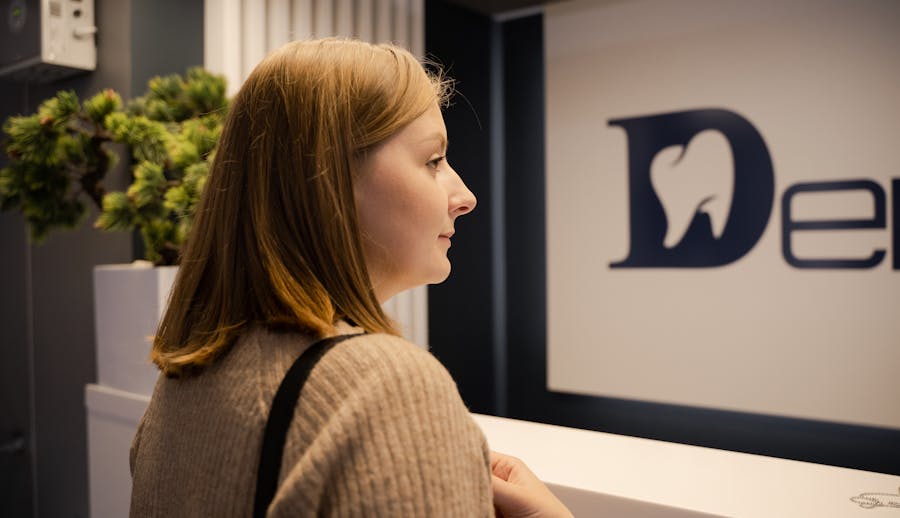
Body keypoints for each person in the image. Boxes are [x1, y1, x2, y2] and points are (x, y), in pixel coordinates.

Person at [129, 38, 572, 517]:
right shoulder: (384, 389)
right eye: (433, 161)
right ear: (330, 180)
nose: (465, 196)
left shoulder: (180, 385)